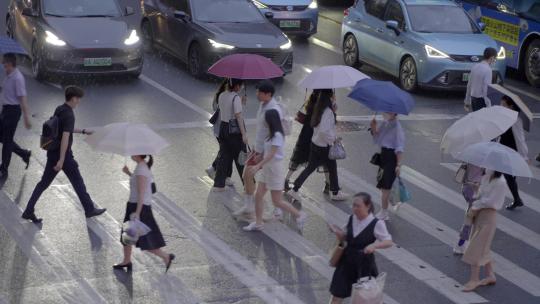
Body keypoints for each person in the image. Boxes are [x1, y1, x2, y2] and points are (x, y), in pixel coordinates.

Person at [21, 86, 106, 223]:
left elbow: (63, 129)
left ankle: (28, 210)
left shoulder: (60, 109)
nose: (79, 102)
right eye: (78, 99)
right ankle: (89, 209)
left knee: (43, 183)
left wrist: (83, 131)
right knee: (78, 182)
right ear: (73, 98)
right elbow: (65, 137)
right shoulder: (70, 114)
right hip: (63, 156)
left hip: (52, 152)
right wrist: (61, 160)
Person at [242, 109, 307, 231]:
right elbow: (267, 151)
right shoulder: (270, 134)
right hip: (268, 168)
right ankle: (258, 223)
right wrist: (257, 157)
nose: (263, 122)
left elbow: (272, 154)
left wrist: (257, 165)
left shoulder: (277, 135)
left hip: (275, 170)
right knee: (258, 196)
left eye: (264, 120)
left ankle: (299, 215)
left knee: (277, 201)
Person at [113, 155, 175, 272]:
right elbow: (140, 184)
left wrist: (137, 212)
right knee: (127, 237)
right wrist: (129, 173)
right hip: (134, 206)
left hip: (139, 208)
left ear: (137, 154)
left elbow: (142, 193)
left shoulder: (142, 169)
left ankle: (166, 256)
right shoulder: (141, 167)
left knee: (145, 241)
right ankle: (126, 261)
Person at [329, 192, 393, 303]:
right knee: (336, 295)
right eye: (353, 205)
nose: (354, 208)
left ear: (367, 206)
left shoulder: (376, 223)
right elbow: (345, 236)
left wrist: (374, 245)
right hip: (346, 263)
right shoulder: (351, 218)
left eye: (358, 206)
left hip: (364, 265)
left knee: (365, 298)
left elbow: (388, 241)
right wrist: (339, 234)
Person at [288, 90, 348, 202]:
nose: (335, 98)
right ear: (329, 97)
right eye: (333, 96)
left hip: (315, 144)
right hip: (324, 146)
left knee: (311, 168)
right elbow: (324, 131)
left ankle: (295, 189)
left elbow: (319, 128)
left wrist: (334, 111)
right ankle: (335, 192)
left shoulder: (319, 109)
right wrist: (333, 139)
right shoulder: (327, 112)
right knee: (332, 168)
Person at [234, 81, 281, 218]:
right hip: (258, 149)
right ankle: (250, 206)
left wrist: (262, 155)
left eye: (259, 92)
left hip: (266, 153)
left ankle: (277, 208)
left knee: (268, 181)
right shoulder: (263, 105)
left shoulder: (273, 110)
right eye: (256, 91)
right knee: (248, 176)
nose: (257, 94)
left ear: (268, 94)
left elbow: (275, 135)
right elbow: (262, 131)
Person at [462, 171, 506, 292]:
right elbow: (480, 195)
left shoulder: (501, 182)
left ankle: (474, 279)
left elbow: (491, 202)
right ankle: (491, 275)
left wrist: (475, 205)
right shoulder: (486, 177)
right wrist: (477, 188)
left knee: (476, 246)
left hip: (489, 215)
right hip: (479, 214)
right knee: (483, 246)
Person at [284, 89, 331, 194]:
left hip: (306, 134)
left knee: (298, 157)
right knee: (326, 160)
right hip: (317, 136)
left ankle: (286, 180)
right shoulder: (325, 107)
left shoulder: (311, 101)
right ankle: (328, 184)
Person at [0, 53, 32, 179]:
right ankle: (24, 154)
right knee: (3, 138)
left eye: (5, 65)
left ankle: (4, 169)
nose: (3, 67)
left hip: (13, 112)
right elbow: (5, 89)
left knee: (7, 141)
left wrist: (26, 117)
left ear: (10, 64)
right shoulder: (9, 75)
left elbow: (22, 98)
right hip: (5, 110)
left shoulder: (18, 78)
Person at [212, 78, 248, 191]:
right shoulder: (235, 98)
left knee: (224, 156)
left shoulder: (222, 95)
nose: (242, 87)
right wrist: (244, 134)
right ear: (237, 86)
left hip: (223, 127)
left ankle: (219, 184)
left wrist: (240, 102)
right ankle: (249, 184)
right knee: (241, 156)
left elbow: (226, 109)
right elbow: (238, 116)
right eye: (241, 85)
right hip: (234, 130)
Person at [370, 112, 405, 221]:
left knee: (385, 187)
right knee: (383, 185)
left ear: (394, 113)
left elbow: (399, 148)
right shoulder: (386, 123)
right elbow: (377, 137)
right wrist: (373, 126)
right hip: (384, 156)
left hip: (391, 158)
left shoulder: (397, 127)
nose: (385, 113)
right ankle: (389, 202)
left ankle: (384, 212)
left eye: (388, 112)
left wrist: (398, 165)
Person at [500, 95, 528, 210]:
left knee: (508, 176)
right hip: (502, 149)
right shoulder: (504, 117)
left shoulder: (516, 120)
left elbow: (520, 139)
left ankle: (517, 199)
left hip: (511, 152)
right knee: (507, 176)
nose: (501, 106)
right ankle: (517, 199)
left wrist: (524, 156)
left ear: (511, 106)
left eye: (503, 105)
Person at [206, 79, 233, 187]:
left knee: (225, 151)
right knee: (227, 152)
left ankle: (216, 170)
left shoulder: (219, 95)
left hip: (218, 129)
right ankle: (219, 172)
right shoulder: (228, 97)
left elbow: (214, 107)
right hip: (224, 130)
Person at [453, 164, 483, 255]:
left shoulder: (471, 156)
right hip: (475, 190)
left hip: (466, 188)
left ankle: (462, 244)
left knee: (470, 217)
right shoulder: (486, 162)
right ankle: (461, 245)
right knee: (472, 220)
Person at [464, 47, 498, 112]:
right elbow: (486, 90)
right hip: (481, 101)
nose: (494, 61)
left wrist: (467, 102)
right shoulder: (488, 70)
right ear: (492, 57)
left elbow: (469, 85)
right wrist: (489, 105)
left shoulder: (475, 66)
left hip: (473, 98)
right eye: (495, 59)